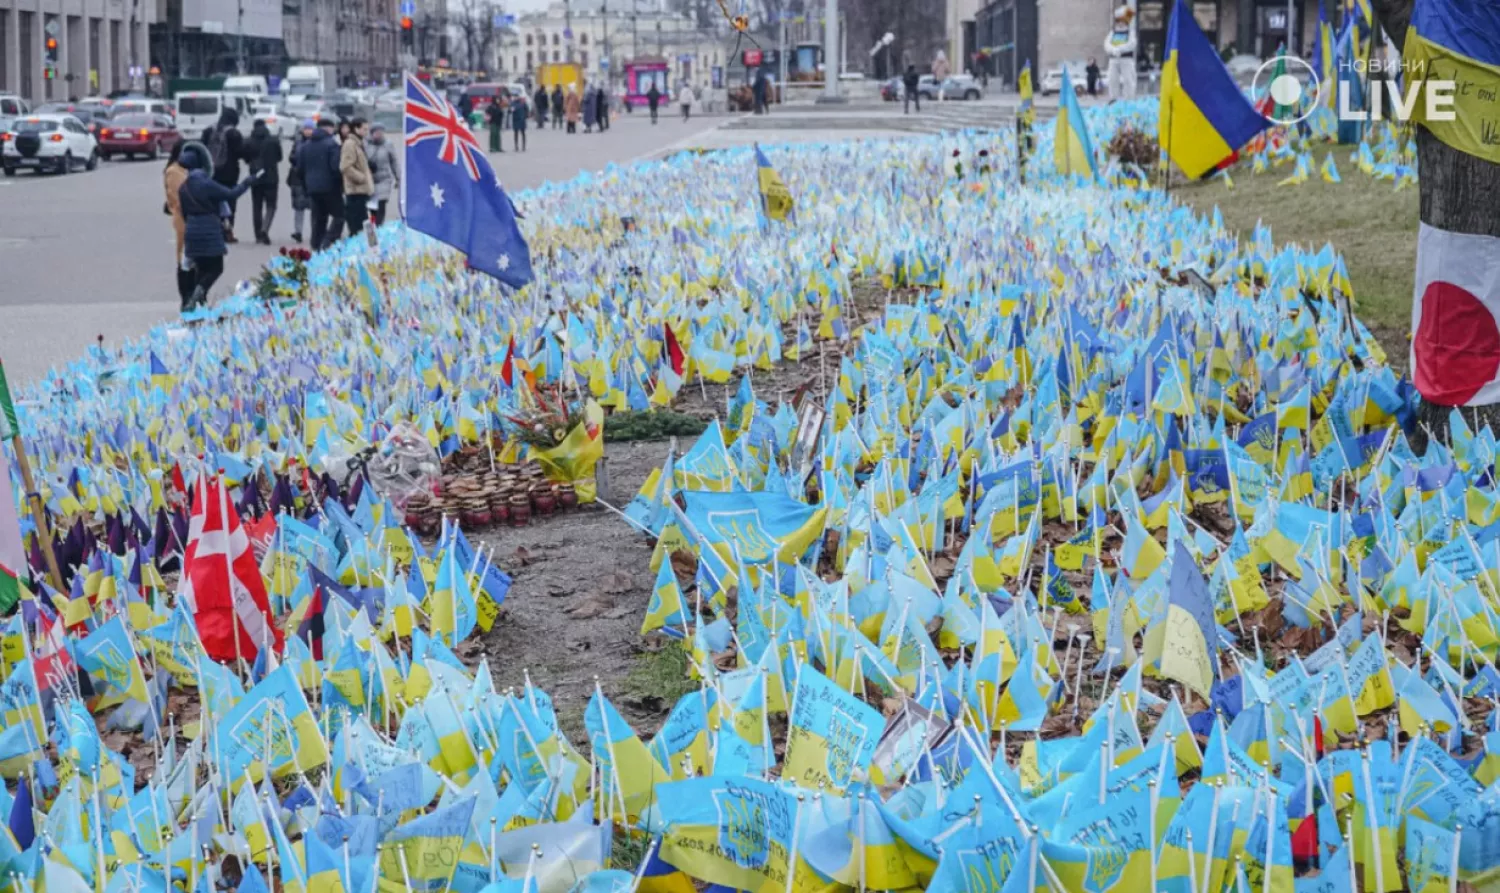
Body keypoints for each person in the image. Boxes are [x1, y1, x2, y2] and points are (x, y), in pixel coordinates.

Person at [177, 141, 260, 311]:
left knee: (200, 266)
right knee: (216, 266)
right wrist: (247, 182)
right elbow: (231, 194)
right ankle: (199, 293)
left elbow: (184, 213)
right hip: (209, 229)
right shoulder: (206, 183)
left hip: (192, 230)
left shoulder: (183, 187)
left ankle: (196, 301)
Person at [203, 108, 247, 242]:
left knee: (213, 203)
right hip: (229, 174)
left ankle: (214, 230)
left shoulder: (208, 131)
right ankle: (228, 231)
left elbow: (203, 150)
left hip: (211, 173)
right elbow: (241, 152)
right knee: (230, 203)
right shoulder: (234, 134)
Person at [302, 118, 343, 251]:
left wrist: (307, 184)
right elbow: (335, 167)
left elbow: (300, 168)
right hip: (330, 187)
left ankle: (315, 245)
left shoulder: (306, 145)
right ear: (328, 129)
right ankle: (328, 240)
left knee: (319, 218)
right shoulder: (332, 144)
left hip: (312, 188)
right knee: (340, 215)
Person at [162, 141, 192, 306]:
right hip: (182, 218)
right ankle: (186, 296)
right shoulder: (173, 171)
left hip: (193, 217)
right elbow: (176, 198)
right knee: (183, 257)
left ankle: (193, 295)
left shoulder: (189, 169)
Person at [246, 118, 283, 245]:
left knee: (257, 206)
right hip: (271, 177)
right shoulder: (273, 140)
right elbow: (280, 157)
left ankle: (258, 235)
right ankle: (265, 229)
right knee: (271, 205)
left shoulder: (249, 141)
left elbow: (246, 158)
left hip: (255, 178)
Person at [340, 117, 374, 239]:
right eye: (364, 129)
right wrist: (362, 178)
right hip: (355, 192)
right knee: (359, 227)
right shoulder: (350, 144)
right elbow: (345, 166)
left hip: (363, 192)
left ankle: (372, 250)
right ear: (356, 128)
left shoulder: (359, 144)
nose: (366, 132)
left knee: (368, 224)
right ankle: (362, 251)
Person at [365, 122, 400, 225]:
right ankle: (373, 231)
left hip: (384, 180)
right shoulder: (365, 144)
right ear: (372, 133)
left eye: (381, 132)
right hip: (370, 181)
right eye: (377, 132)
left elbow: (394, 161)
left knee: (381, 205)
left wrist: (398, 178)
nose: (379, 134)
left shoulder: (388, 144)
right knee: (372, 209)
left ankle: (379, 228)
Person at [287, 118, 315, 243]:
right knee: (299, 207)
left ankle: (315, 231)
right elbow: (291, 157)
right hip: (298, 178)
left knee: (314, 208)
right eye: (306, 129)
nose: (308, 131)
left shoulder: (316, 142)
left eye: (310, 129)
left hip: (312, 178)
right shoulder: (298, 142)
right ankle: (298, 231)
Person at [1104, 4, 1138, 100]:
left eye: (1122, 20)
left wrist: (1120, 49)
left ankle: (1129, 100)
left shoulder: (1130, 32)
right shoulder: (1113, 32)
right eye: (1118, 20)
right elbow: (1106, 44)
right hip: (1113, 59)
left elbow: (1132, 44)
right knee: (1112, 79)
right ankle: (1113, 99)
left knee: (1128, 80)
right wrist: (1113, 50)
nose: (1120, 23)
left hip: (1126, 59)